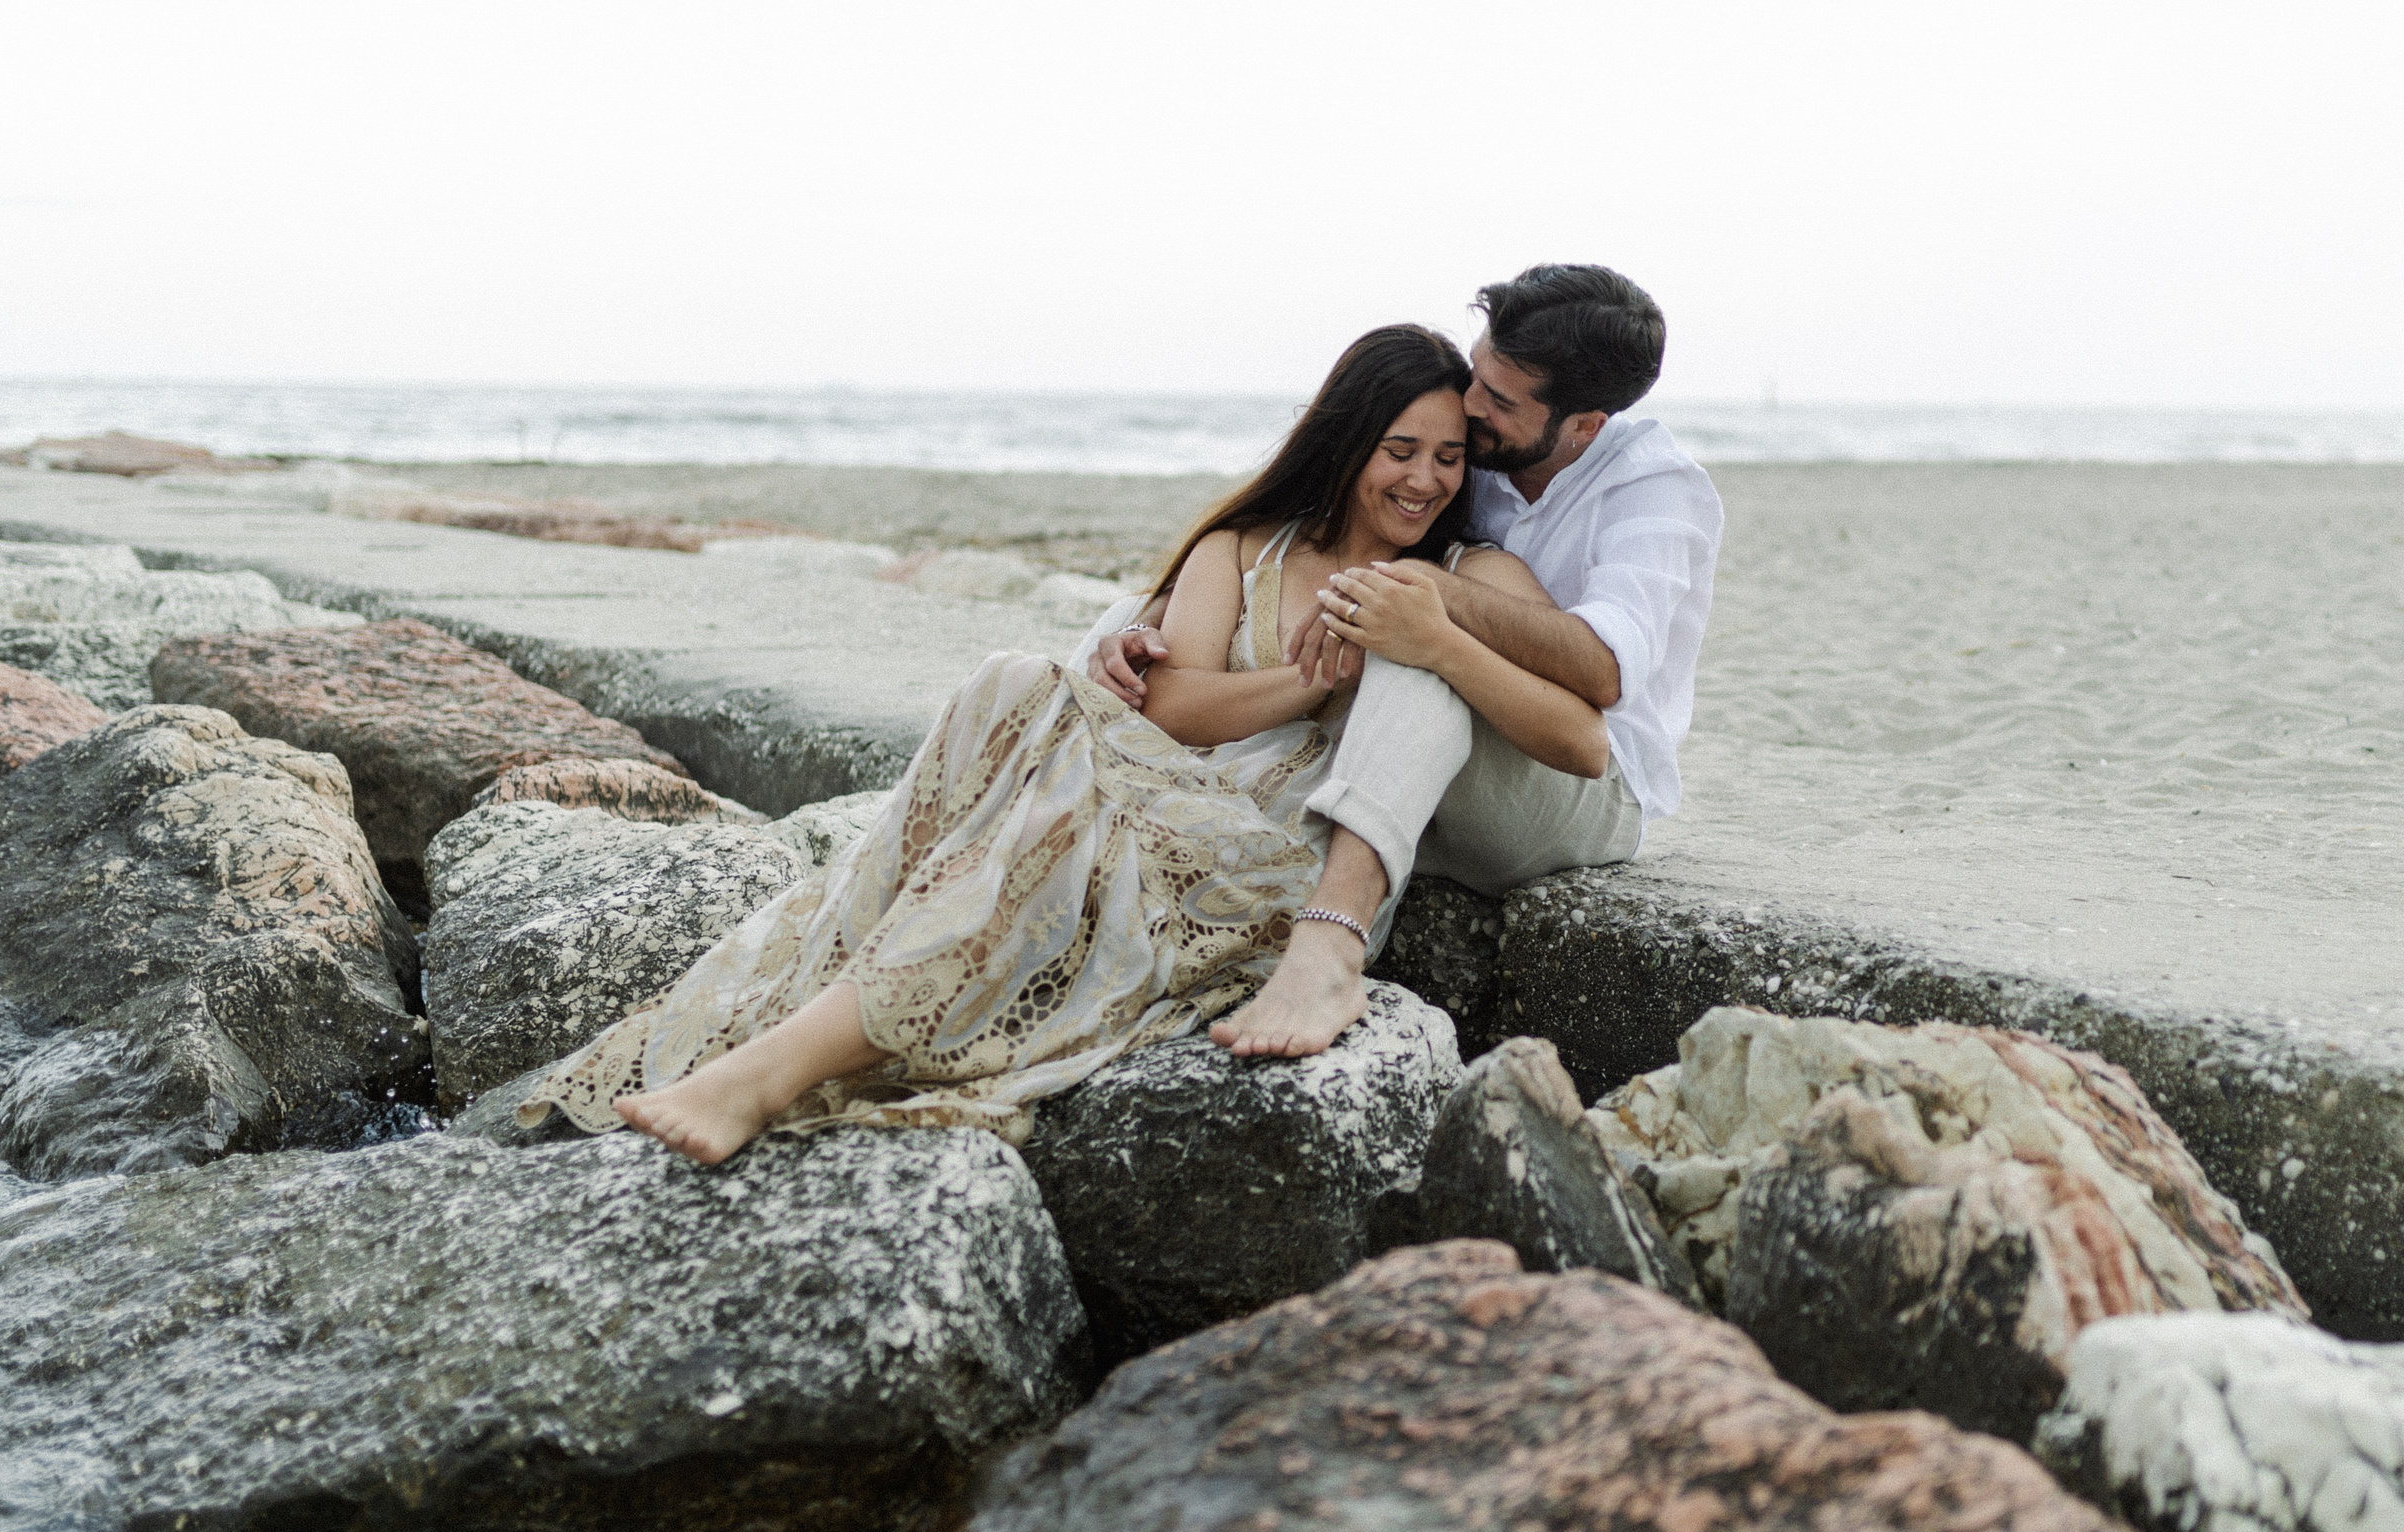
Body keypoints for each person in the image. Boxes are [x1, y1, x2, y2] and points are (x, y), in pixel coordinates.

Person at [517, 325, 1603, 1166]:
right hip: (1160, 792)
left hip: (1264, 861)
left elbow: (1580, 738)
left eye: (1451, 459)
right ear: (1344, 442)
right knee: (1014, 686)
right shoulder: (1243, 550)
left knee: (1034, 813)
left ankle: (764, 1077)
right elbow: (1172, 711)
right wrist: (1323, 672)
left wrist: (1429, 644)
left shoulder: (1472, 580)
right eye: (1398, 450)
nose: (1423, 481)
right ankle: (795, 1030)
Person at [1091, 264, 1722, 1060]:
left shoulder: (1654, 491)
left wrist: (1429, 591)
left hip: (1573, 782)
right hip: (1428, 760)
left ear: (1583, 426)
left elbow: (1600, 675)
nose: (1471, 404)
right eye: (1478, 371)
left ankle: (1332, 946)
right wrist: (1155, 617)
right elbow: (1322, 511)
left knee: (1414, 644)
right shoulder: (1474, 447)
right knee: (1121, 628)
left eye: (1497, 399)